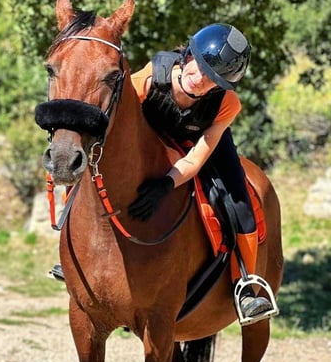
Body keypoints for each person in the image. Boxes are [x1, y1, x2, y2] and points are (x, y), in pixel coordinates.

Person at [50, 23, 276, 324]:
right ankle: (72, 256)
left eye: (214, 79)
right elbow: (121, 125)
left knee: (241, 204)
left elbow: (196, 159)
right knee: (89, 168)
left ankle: (246, 285)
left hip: (202, 143)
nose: (202, 79)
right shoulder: (148, 78)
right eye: (200, 67)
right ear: (188, 56)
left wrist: (166, 184)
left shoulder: (227, 104)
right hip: (152, 136)